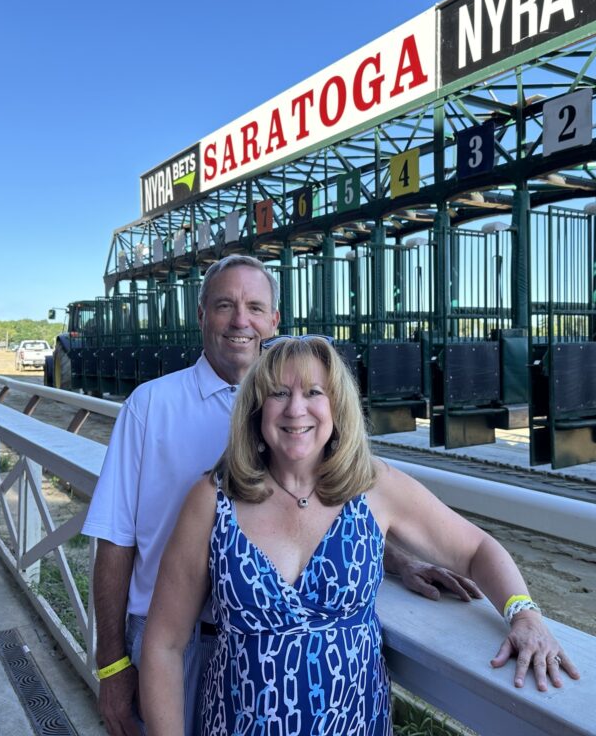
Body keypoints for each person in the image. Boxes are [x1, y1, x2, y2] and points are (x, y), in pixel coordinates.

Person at [82, 255, 479, 736]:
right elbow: (114, 540)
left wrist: (394, 557)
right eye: (224, 305)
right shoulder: (150, 406)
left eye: (254, 306)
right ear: (202, 313)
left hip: (271, 661)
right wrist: (111, 665)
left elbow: (316, 514)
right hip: (173, 645)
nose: (239, 320)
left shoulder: (288, 419)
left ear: (274, 320)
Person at [141, 336, 579, 736]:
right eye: (279, 393)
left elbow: (477, 548)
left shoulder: (374, 487)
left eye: (314, 392)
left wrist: (524, 615)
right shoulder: (212, 499)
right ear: (257, 408)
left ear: (337, 406)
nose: (296, 409)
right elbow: (165, 643)